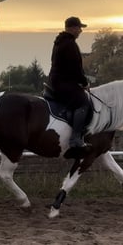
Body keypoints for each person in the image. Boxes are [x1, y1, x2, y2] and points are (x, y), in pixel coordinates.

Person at [48, 16, 91, 149]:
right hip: (63, 82)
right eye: (79, 28)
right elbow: (75, 68)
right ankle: (75, 138)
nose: (80, 31)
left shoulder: (59, 41)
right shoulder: (70, 44)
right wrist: (84, 83)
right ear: (72, 28)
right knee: (83, 102)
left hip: (56, 80)